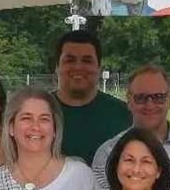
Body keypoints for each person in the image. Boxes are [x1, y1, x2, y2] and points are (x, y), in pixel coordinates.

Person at [92, 64, 170, 190]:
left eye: (159, 97)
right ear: (129, 101)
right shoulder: (108, 153)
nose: (150, 105)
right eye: (141, 98)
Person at [52, 30, 132, 167]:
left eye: (87, 60)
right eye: (70, 60)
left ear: (99, 68)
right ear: (57, 67)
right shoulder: (38, 113)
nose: (78, 67)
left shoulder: (124, 115)